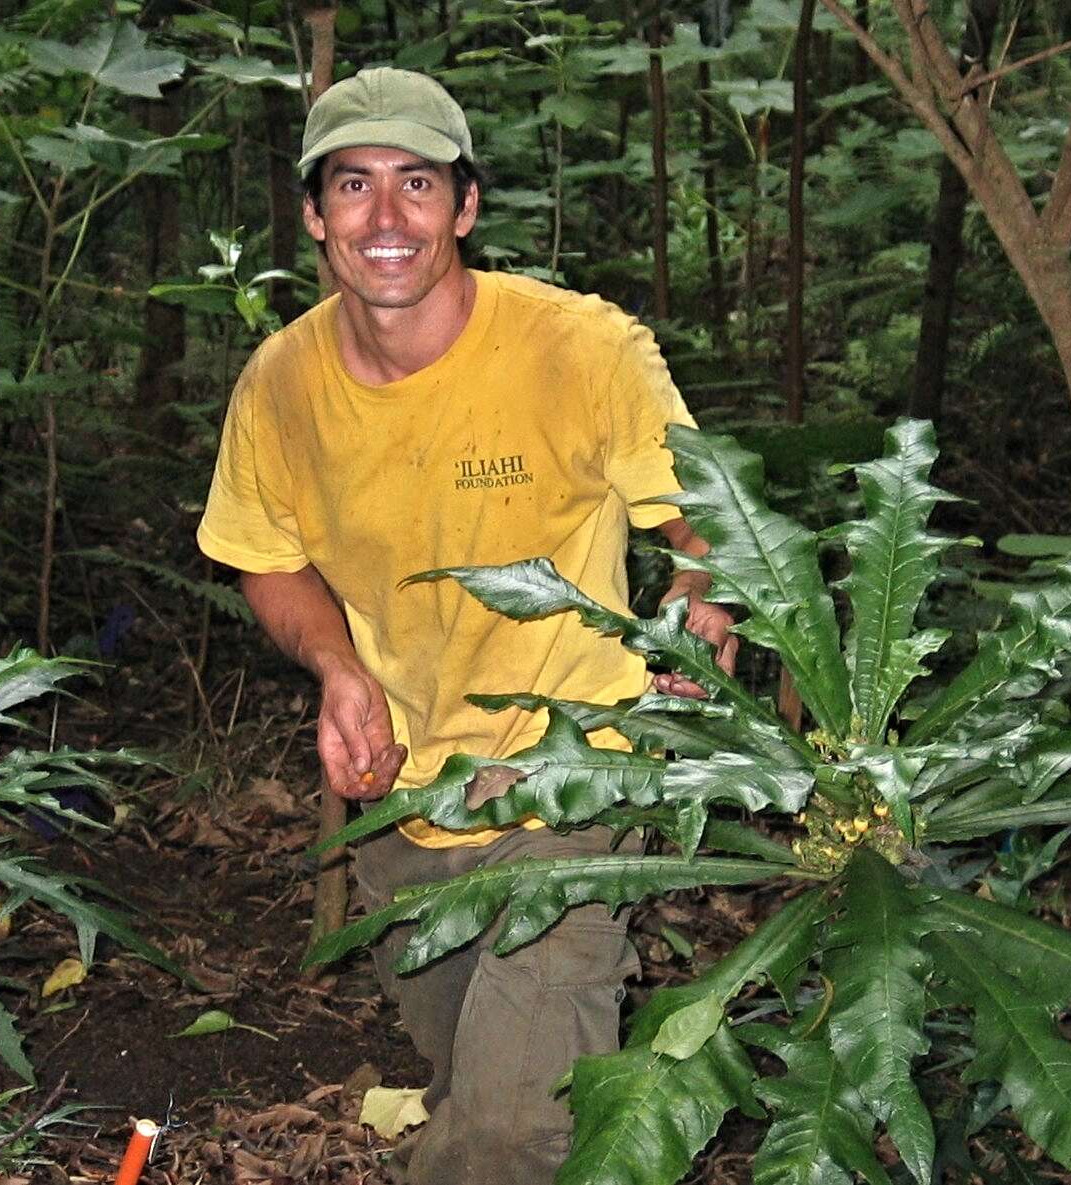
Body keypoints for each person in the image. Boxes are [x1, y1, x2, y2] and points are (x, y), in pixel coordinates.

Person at [196, 66, 736, 1185]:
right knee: (467, 1081)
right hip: (401, 794)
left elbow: (705, 520)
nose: (385, 219)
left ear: (465, 206)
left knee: (498, 1135)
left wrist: (701, 598)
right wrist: (335, 667)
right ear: (312, 214)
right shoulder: (281, 382)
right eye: (353, 186)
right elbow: (263, 554)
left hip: (575, 775)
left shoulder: (580, 347)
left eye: (416, 184)